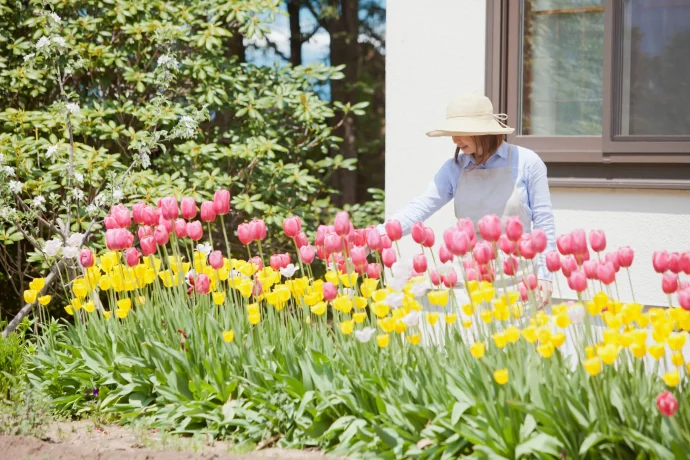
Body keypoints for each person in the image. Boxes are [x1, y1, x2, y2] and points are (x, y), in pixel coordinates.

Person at [383, 92, 555, 305]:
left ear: (482, 132)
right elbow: (419, 208)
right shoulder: (454, 168)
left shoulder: (527, 162)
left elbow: (544, 222)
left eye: (461, 132)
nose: (454, 140)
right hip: (469, 279)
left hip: (518, 279)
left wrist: (545, 275)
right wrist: (380, 235)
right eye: (452, 133)